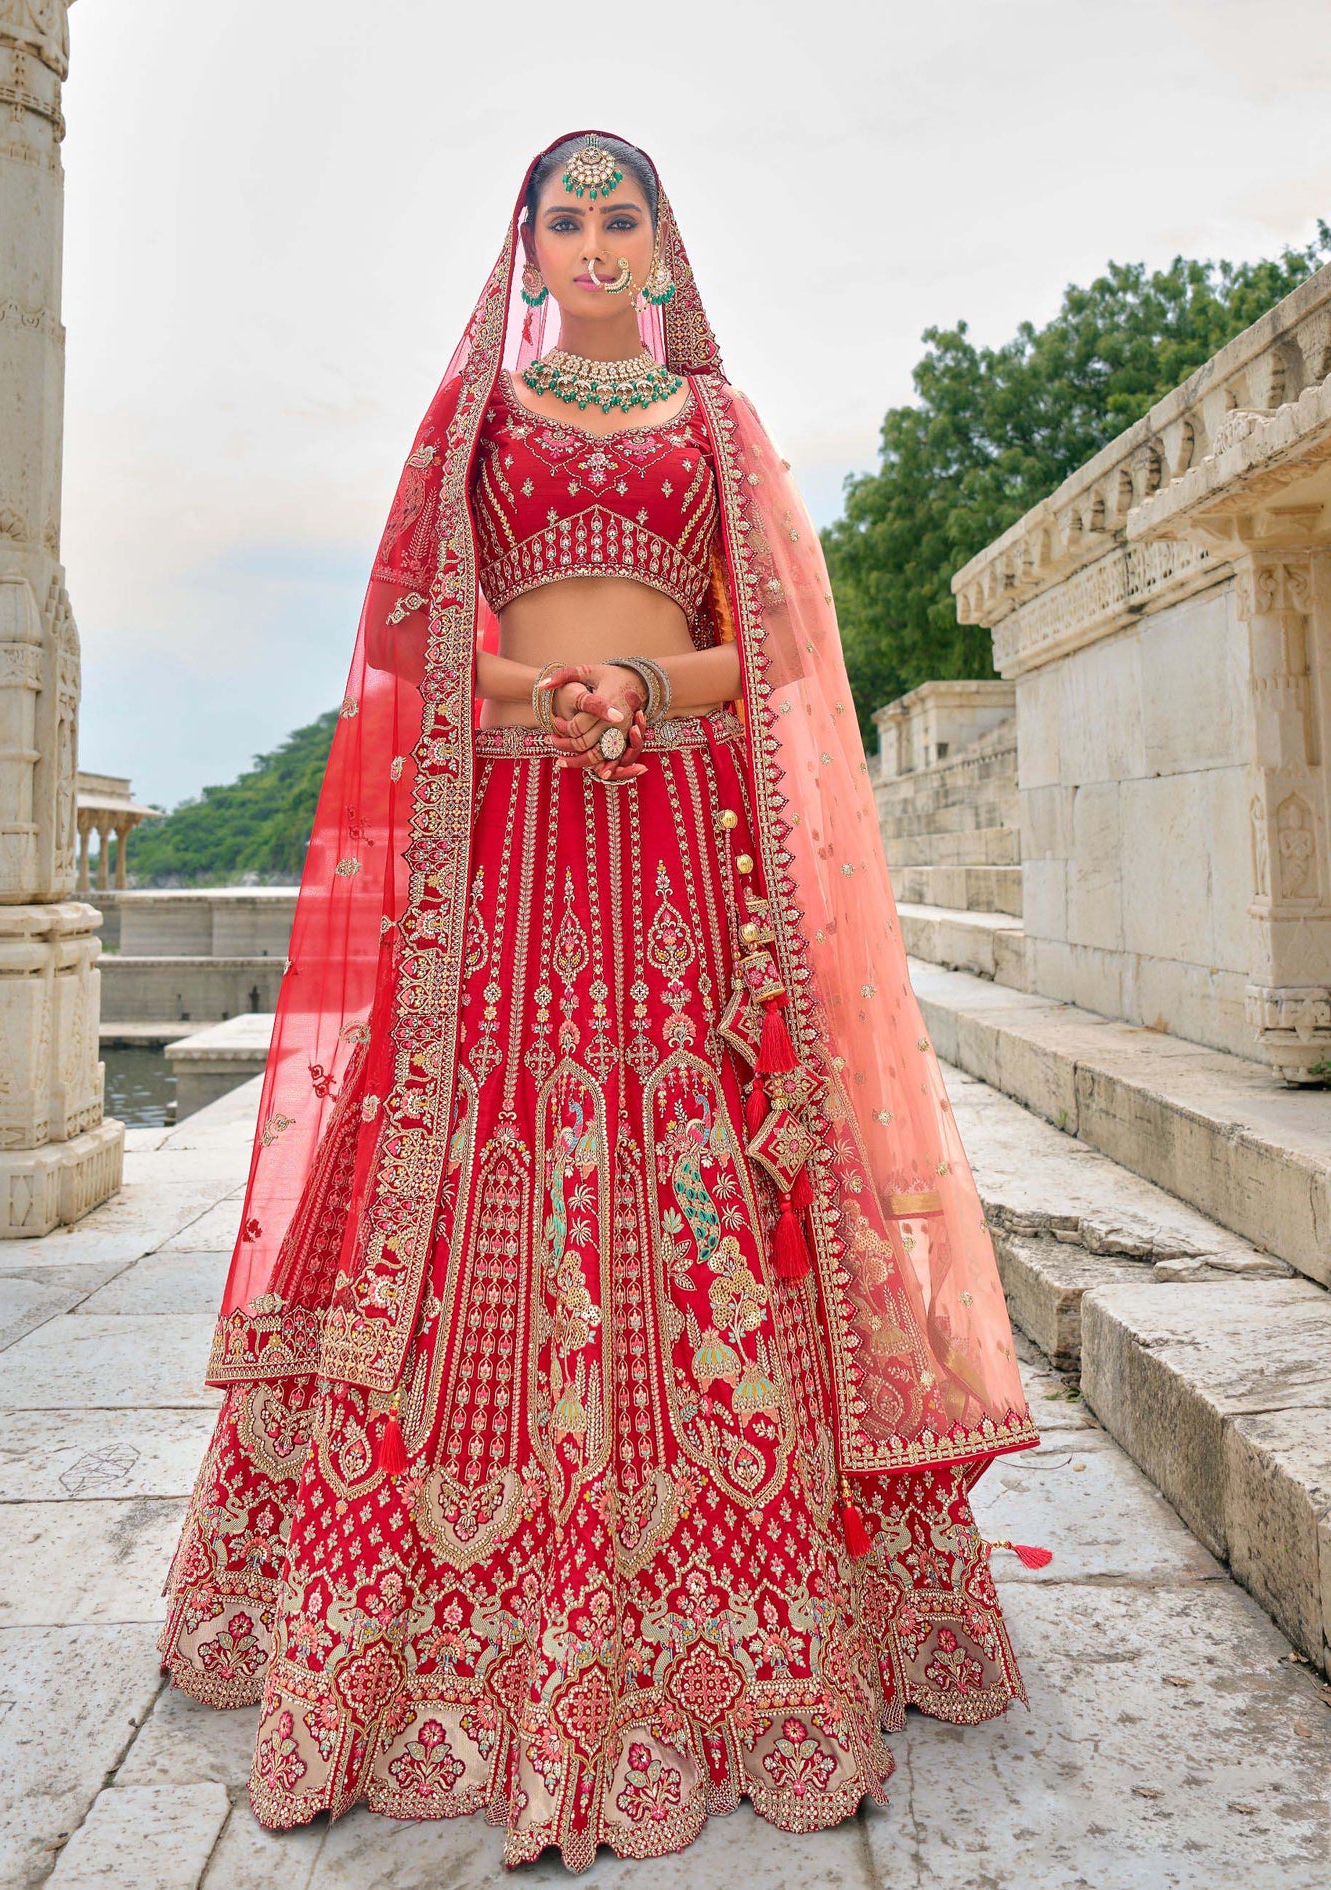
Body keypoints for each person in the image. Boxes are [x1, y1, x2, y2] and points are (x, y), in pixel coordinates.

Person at [159, 131, 1046, 1872]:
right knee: (460, 1176)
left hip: (672, 844)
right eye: (560, 217)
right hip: (503, 845)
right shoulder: (475, 426)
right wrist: (540, 693)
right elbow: (412, 638)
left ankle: (765, 1638)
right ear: (527, 248)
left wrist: (639, 681)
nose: (587, 240)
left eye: (615, 214)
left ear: (661, 244)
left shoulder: (716, 429)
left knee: (705, 1179)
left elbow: (780, 645)